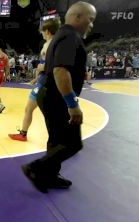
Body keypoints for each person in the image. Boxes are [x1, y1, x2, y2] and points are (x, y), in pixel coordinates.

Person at [21, 1, 97, 193]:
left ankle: (48, 176)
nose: (92, 24)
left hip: (49, 95)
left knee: (56, 140)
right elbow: (60, 71)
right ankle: (35, 168)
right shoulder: (70, 36)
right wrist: (72, 104)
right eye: (91, 19)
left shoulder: (61, 36)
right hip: (57, 98)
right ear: (78, 17)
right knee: (72, 143)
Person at [9, 18, 61, 141]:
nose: (41, 34)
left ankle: (24, 134)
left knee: (40, 110)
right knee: (42, 110)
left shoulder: (50, 45)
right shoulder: (54, 43)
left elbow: (54, 65)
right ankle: (24, 133)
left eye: (42, 31)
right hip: (44, 80)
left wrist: (42, 67)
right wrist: (37, 77)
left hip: (46, 82)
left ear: (47, 31)